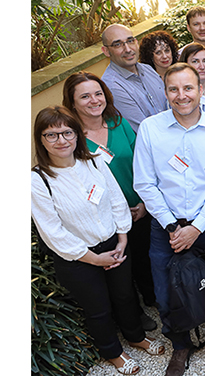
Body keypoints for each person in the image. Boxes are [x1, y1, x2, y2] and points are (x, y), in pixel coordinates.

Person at [32, 106, 165, 375]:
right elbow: (53, 232)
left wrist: (122, 240)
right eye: (52, 135)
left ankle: (136, 337)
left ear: (77, 135)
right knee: (98, 309)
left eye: (67, 132)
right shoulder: (37, 180)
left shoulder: (94, 162)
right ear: (41, 139)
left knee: (125, 296)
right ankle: (112, 352)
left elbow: (117, 201)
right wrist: (94, 258)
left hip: (114, 245)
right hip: (78, 258)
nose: (62, 140)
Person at [133, 63, 205, 376]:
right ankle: (180, 344)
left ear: (201, 90)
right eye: (174, 89)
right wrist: (174, 227)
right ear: (165, 93)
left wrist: (196, 227)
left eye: (188, 88)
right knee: (165, 288)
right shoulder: (151, 129)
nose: (182, 95)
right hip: (166, 227)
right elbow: (144, 183)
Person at [62, 71, 157, 325]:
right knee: (120, 270)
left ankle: (152, 298)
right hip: (106, 217)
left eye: (98, 93)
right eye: (84, 96)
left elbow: (142, 160)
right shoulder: (71, 137)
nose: (94, 100)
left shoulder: (118, 123)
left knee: (144, 257)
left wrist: (144, 203)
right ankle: (132, 315)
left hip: (138, 208)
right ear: (72, 103)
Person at [100, 24, 168, 131]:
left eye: (130, 41)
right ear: (106, 51)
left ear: (136, 42)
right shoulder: (111, 87)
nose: (127, 49)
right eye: (118, 44)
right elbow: (144, 130)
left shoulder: (148, 69)